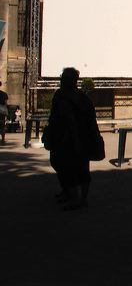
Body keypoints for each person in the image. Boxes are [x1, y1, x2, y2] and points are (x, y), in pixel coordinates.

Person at [44, 68, 99, 210]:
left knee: (73, 168)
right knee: (66, 166)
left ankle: (78, 199)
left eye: (64, 78)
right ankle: (71, 194)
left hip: (70, 139)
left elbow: (73, 119)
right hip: (70, 137)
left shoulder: (73, 97)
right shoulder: (70, 96)